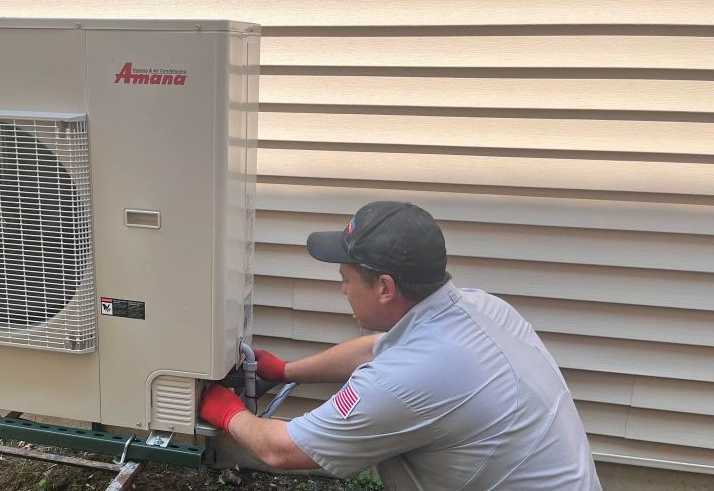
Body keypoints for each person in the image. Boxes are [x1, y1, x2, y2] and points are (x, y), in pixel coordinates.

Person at [199, 201, 601, 490]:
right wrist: (287, 370)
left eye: (345, 278)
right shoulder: (480, 307)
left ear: (385, 288)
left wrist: (225, 410)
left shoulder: (404, 380)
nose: (342, 290)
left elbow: (282, 451)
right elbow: (374, 347)